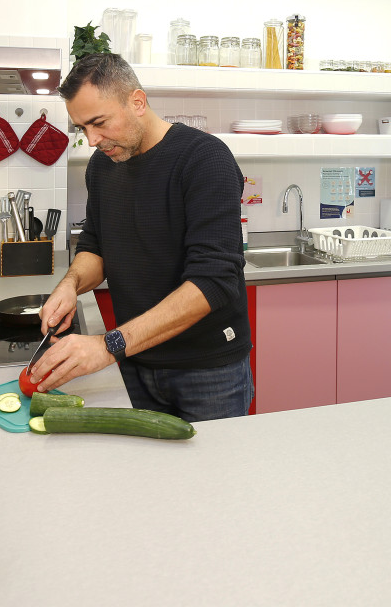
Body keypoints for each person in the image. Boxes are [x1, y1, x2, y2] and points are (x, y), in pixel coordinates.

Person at [30, 53, 253, 421]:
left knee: (215, 462)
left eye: (99, 123)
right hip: (135, 363)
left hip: (207, 372)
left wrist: (108, 346)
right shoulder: (103, 165)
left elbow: (214, 281)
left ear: (137, 102)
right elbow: (95, 245)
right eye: (82, 128)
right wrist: (70, 285)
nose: (92, 140)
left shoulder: (205, 159)